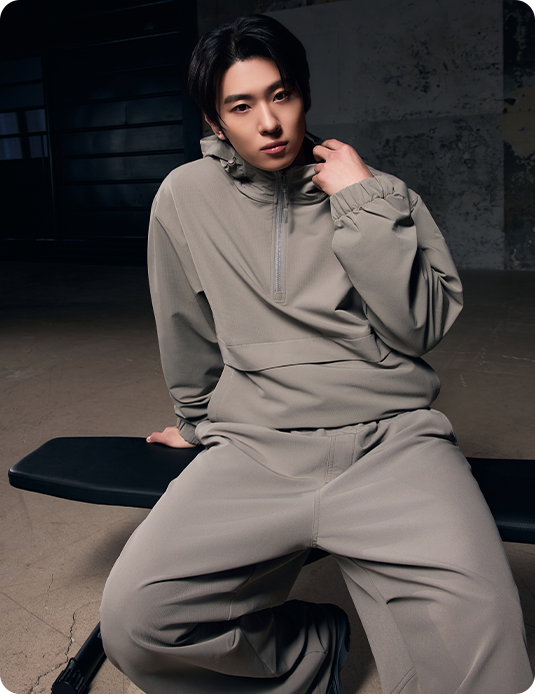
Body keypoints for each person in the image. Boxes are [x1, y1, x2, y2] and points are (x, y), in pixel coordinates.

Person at [100, 14, 535, 694]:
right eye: (241, 106)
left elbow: (419, 326)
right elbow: (185, 325)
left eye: (281, 95)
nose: (269, 122)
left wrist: (362, 204)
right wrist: (194, 419)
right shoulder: (185, 196)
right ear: (215, 122)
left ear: (303, 94)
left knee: (487, 643)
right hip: (256, 447)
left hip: (391, 445)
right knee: (137, 623)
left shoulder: (381, 193)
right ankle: (308, 657)